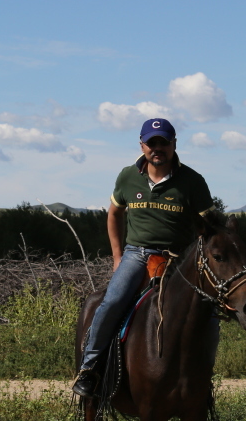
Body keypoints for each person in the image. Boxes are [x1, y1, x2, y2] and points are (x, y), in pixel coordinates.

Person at [72, 118, 216, 398]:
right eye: (152, 143)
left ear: (174, 144)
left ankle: (203, 377)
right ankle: (89, 370)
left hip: (179, 259)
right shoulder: (127, 176)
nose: (157, 148)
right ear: (142, 145)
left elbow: (210, 225)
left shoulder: (192, 181)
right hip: (137, 255)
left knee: (207, 312)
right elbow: (114, 214)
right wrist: (117, 256)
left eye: (164, 142)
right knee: (112, 301)